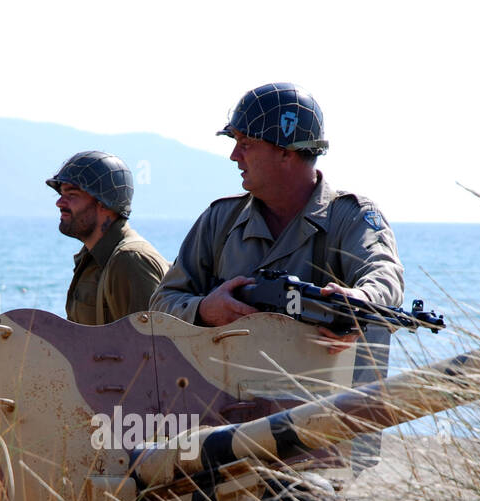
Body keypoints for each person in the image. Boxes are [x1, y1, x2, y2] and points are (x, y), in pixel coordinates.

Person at [148, 83, 404, 471]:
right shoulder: (221, 221)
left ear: (285, 152)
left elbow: (384, 277)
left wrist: (358, 305)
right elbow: (160, 306)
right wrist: (205, 310)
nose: (234, 156)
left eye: (246, 144)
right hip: (223, 439)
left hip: (326, 445)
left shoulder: (349, 217)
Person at [47, 151, 169, 326]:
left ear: (104, 203)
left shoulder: (130, 261)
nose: (60, 203)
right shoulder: (92, 257)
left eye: (72, 194)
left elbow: (150, 348)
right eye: (61, 194)